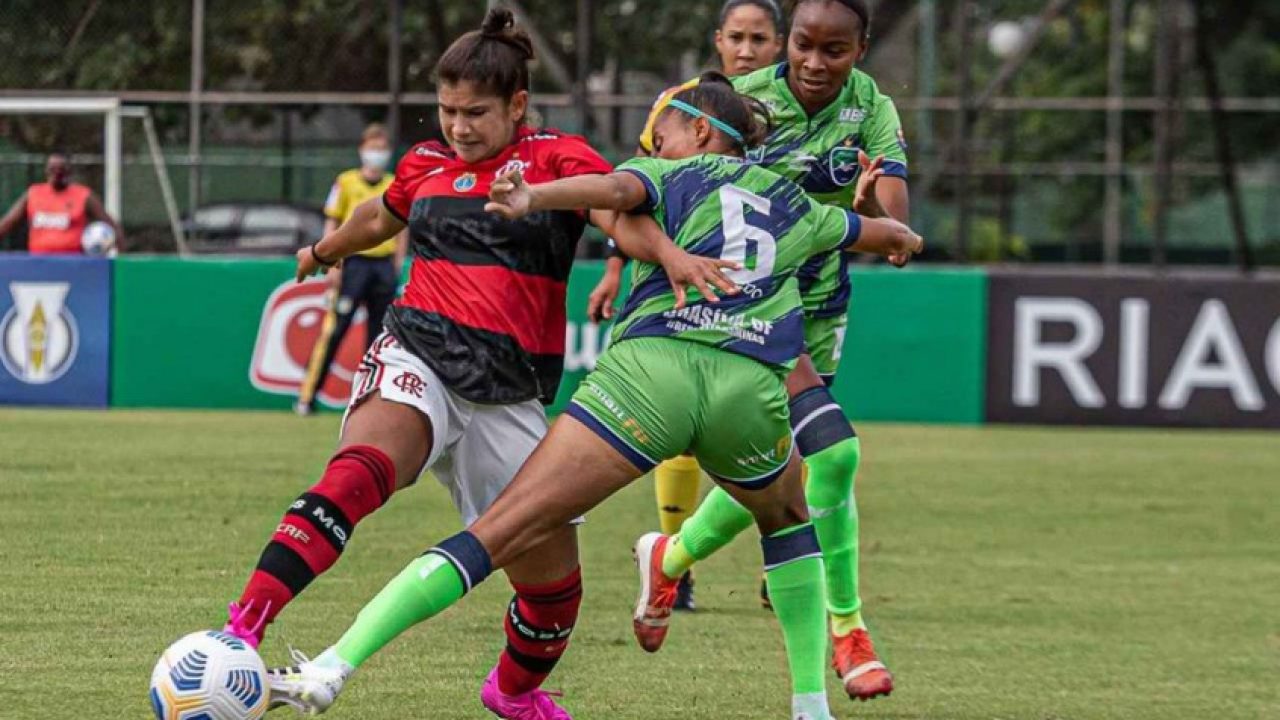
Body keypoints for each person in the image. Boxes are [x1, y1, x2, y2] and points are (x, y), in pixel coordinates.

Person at [267, 77, 921, 720]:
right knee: (787, 522)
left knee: (501, 529)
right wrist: (885, 222)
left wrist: (534, 194)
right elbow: (887, 236)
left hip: (649, 378)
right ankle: (810, 707)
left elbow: (612, 189)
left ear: (698, 132)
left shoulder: (668, 175)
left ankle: (333, 666)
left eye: (660, 130)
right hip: (747, 391)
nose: (650, 142)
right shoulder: (794, 202)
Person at [219, 10, 728, 719]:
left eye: (476, 113)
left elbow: (618, 216)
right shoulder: (425, 163)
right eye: (448, 110)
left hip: (510, 394)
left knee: (553, 596)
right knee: (359, 474)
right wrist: (326, 250)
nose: (459, 126)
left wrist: (668, 254)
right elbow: (379, 218)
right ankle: (241, 628)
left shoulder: (556, 157)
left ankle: (512, 695)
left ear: (517, 106)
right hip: (417, 349)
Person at [596, 0, 910, 702]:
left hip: (818, 309)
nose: (813, 62)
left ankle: (669, 557)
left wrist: (874, 211)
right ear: (787, 42)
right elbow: (643, 189)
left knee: (778, 469)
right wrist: (631, 261)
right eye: (802, 45)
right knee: (835, 453)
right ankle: (848, 631)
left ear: (860, 50)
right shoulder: (738, 104)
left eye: (834, 50)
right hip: (745, 310)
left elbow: (895, 233)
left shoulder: (874, 111)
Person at [594, 0, 787, 613]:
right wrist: (617, 262)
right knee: (680, 428)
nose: (748, 49)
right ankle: (678, 558)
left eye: (760, 38)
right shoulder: (681, 104)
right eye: (738, 37)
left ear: (779, 44)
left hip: (766, 287)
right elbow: (638, 188)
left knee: (782, 430)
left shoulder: (796, 104)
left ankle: (773, 556)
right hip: (682, 281)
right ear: (719, 41)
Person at [294, 123, 407, 416]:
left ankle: (369, 399)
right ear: (361, 150)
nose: (377, 154)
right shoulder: (345, 182)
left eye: (382, 149)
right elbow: (332, 221)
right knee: (335, 330)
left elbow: (402, 229)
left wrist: (397, 263)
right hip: (353, 264)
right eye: (372, 148)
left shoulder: (394, 183)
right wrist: (331, 261)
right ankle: (307, 398)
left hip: (383, 267)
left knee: (379, 337)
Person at [0, 152, 125, 253]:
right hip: (39, 262)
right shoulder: (33, 194)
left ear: (69, 171)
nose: (56, 173)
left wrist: (121, 256)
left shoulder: (83, 195)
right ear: (46, 171)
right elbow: (8, 223)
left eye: (61, 169)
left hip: (72, 263)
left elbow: (111, 225)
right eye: (52, 169)